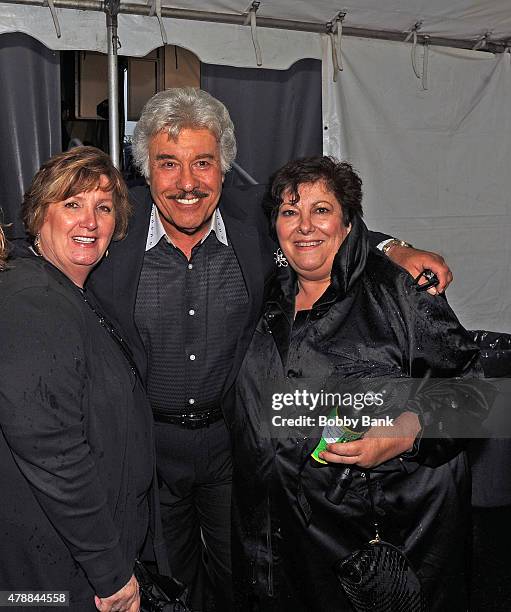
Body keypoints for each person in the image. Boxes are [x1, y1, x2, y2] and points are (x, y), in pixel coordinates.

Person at [88, 87, 454, 611]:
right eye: (169, 163)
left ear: (224, 168)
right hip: (145, 449)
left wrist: (397, 248)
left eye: (203, 163)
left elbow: (324, 227)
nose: (187, 182)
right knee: (162, 583)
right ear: (146, 168)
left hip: (234, 452)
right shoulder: (111, 233)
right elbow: (55, 240)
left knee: (244, 579)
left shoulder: (256, 227)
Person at [226, 156, 482, 611]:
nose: (305, 225)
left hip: (381, 541)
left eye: (321, 210)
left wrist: (407, 432)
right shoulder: (271, 291)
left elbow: (478, 394)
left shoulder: (398, 293)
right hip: (290, 536)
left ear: (347, 224)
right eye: (290, 212)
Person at [0, 147, 157, 611]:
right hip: (55, 573)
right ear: (38, 214)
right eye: (72, 204)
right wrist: (111, 574)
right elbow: (53, 453)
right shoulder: (31, 300)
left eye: (103, 208)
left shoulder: (69, 290)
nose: (89, 221)